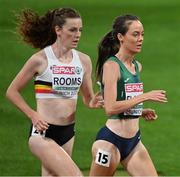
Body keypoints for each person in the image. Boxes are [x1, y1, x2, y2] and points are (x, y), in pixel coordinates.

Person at [6, 7, 103, 176]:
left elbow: (88, 99)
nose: (78, 34)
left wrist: (95, 101)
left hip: (67, 132)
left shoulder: (83, 61)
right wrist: (33, 115)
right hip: (42, 134)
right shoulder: (40, 59)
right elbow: (12, 91)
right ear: (58, 30)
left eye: (80, 30)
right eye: (72, 30)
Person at [89, 14, 167, 176]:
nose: (140, 39)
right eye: (135, 34)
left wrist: (140, 111)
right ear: (120, 37)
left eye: (142, 34)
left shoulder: (136, 66)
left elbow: (125, 100)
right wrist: (144, 96)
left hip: (133, 143)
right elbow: (110, 108)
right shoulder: (112, 66)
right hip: (110, 142)